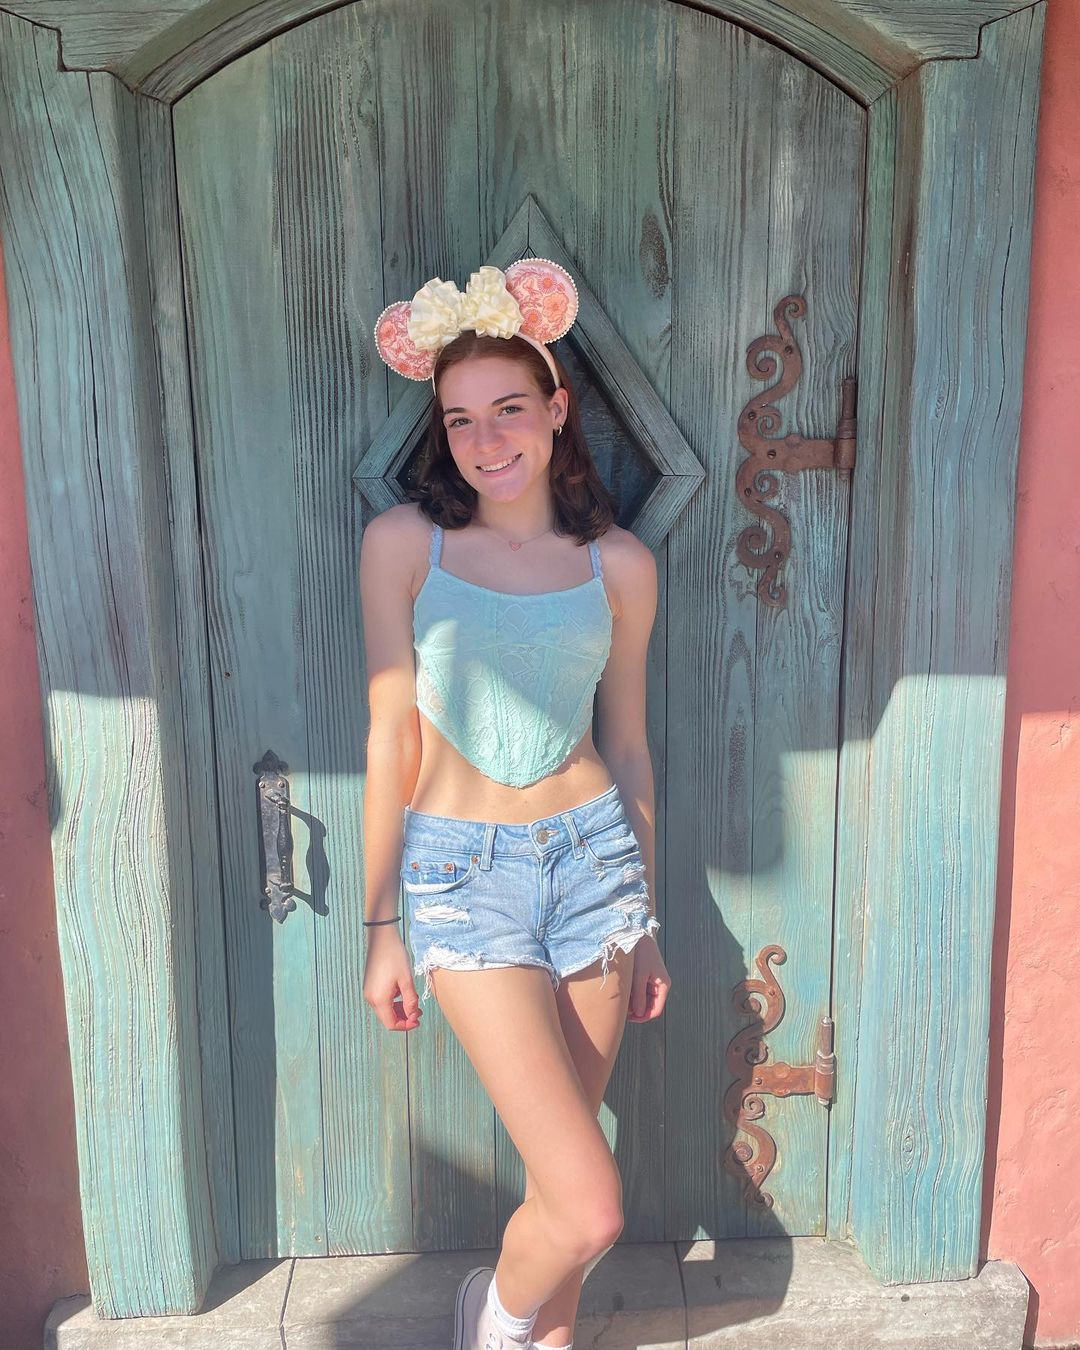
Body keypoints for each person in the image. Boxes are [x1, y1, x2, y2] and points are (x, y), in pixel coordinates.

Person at [360, 260, 672, 1350]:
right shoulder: (407, 547)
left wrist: (648, 920)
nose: (486, 441)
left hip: (596, 871)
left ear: (557, 410)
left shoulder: (619, 567)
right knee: (591, 1205)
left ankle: (541, 1339)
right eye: (460, 421)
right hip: (462, 876)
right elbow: (391, 736)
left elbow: (627, 748)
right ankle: (491, 1324)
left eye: (508, 411)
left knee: (559, 1187)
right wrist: (383, 926)